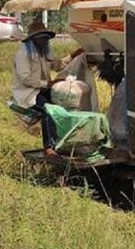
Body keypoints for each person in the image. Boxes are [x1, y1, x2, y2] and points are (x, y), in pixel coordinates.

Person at [12, 21, 84, 157]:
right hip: (27, 93)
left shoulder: (43, 51)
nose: (44, 40)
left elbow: (57, 65)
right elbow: (25, 79)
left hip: (42, 89)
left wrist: (74, 55)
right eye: (41, 37)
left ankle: (63, 143)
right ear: (34, 38)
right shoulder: (23, 54)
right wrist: (49, 84)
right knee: (49, 111)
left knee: (65, 107)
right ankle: (49, 148)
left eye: (45, 37)